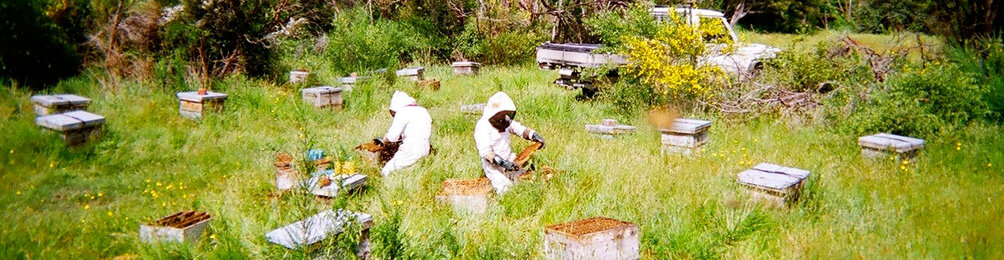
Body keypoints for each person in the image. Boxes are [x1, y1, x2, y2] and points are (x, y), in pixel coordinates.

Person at [473, 92, 545, 194]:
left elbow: (520, 130)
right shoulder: (483, 126)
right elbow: (486, 152)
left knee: (524, 182)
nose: (504, 118)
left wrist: (534, 135)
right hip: (493, 166)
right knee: (506, 189)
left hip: (510, 160)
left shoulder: (504, 121)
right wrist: (502, 162)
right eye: (501, 114)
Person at [378, 91, 432, 176]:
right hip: (426, 148)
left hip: (411, 150)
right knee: (412, 172)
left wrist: (384, 140)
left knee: (386, 171)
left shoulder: (402, 112)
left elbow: (392, 137)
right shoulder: (423, 110)